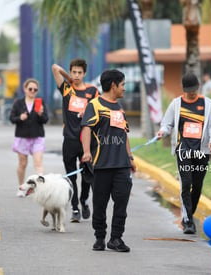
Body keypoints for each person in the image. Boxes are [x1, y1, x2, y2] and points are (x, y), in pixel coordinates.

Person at [156, 71, 211, 234]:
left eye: (194, 89)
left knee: (197, 186)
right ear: (184, 89)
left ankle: (189, 214)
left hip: (201, 151)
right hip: (183, 150)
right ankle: (188, 220)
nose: (192, 93)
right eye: (189, 90)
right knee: (186, 183)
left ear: (198, 87)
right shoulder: (176, 104)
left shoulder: (207, 104)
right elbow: (167, 123)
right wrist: (162, 131)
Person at [81, 69, 136, 252]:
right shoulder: (94, 105)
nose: (124, 89)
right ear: (113, 85)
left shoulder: (119, 108)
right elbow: (87, 129)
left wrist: (130, 158)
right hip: (101, 165)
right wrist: (87, 152)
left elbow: (124, 134)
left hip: (121, 165)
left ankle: (116, 238)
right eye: (122, 85)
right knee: (100, 203)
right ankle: (99, 237)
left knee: (122, 203)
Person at [52, 58, 99, 222]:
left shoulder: (92, 91)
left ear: (84, 74)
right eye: (74, 72)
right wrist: (68, 78)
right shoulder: (66, 89)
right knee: (71, 177)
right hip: (70, 140)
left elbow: (97, 112)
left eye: (80, 72)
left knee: (87, 175)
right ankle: (75, 208)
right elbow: (55, 68)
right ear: (71, 73)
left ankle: (84, 200)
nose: (77, 75)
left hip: (87, 141)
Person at [9, 78, 49, 197]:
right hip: (22, 136)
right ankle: (21, 187)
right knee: (22, 163)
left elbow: (46, 119)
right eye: (30, 89)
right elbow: (11, 118)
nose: (32, 91)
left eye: (35, 89)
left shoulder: (40, 103)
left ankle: (41, 189)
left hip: (37, 136)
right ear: (25, 89)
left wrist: (41, 114)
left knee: (38, 162)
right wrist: (19, 118)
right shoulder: (18, 103)